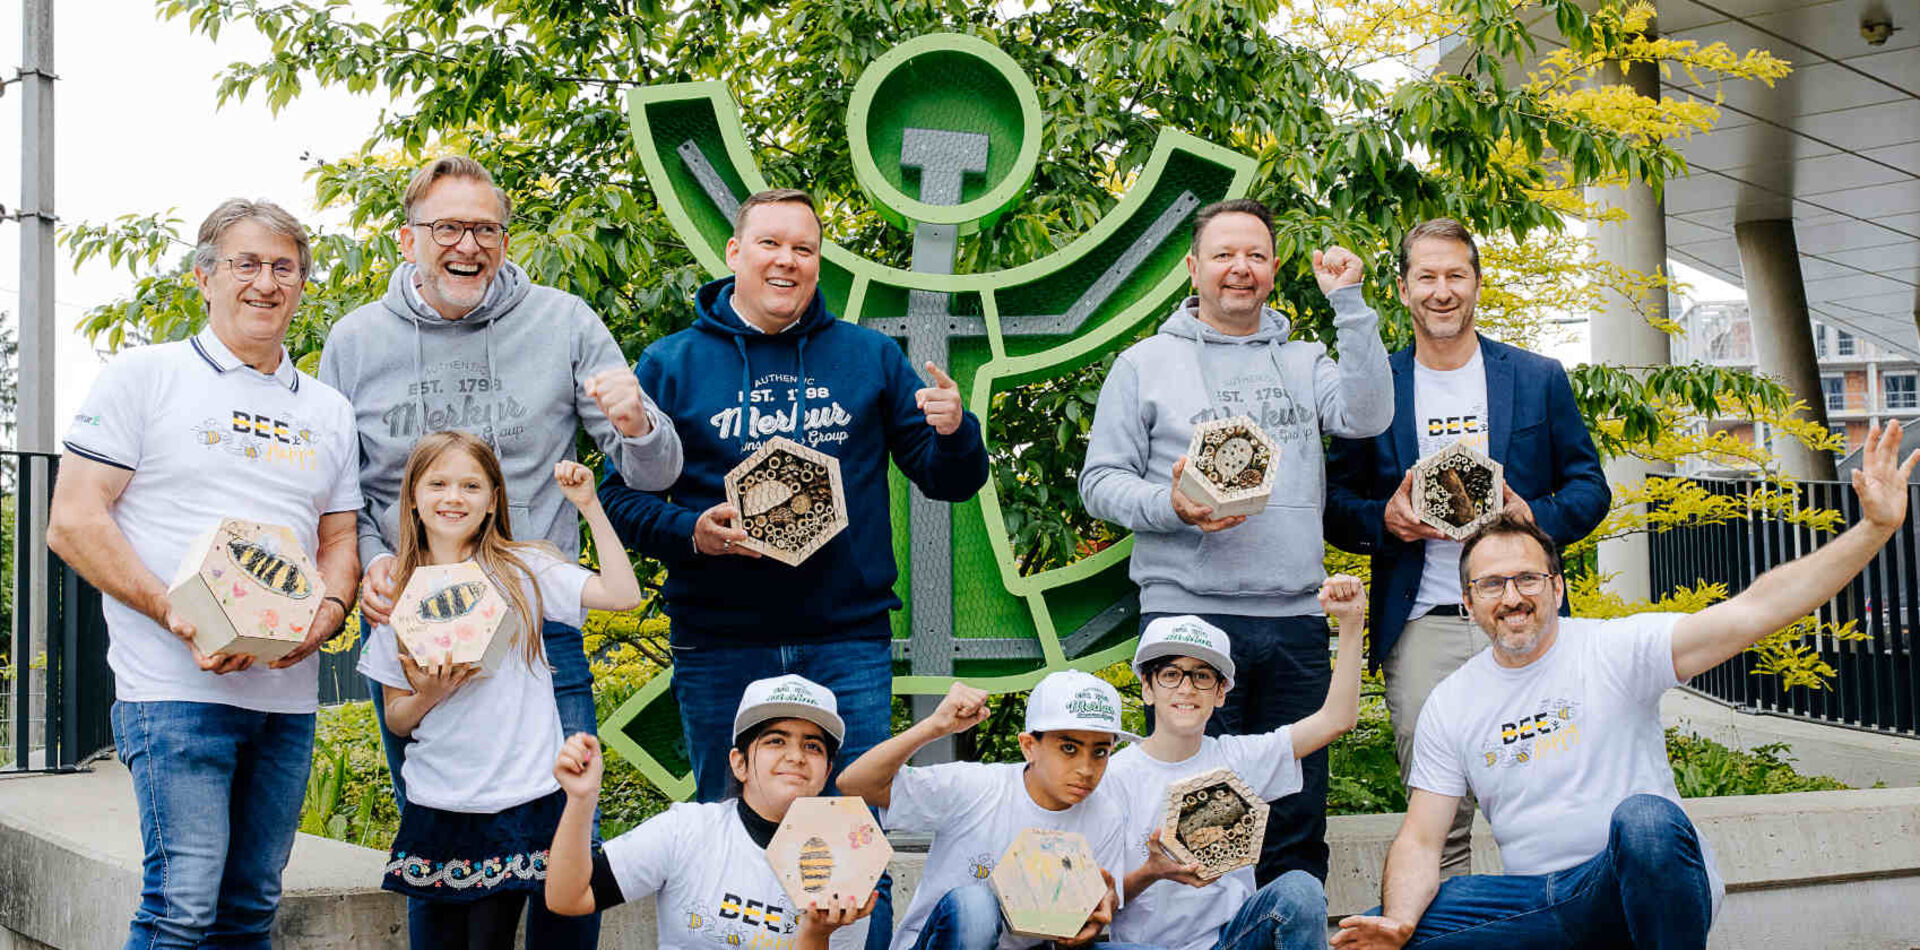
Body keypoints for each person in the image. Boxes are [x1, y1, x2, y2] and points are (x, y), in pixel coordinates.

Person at [1331, 421, 1919, 949]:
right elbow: (1421, 839)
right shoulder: (1452, 702)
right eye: (1492, 585)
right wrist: (1401, 922)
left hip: (1644, 883)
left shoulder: (1616, 648)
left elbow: (1756, 611)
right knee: (1383, 930)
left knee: (1645, 819)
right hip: (1546, 904)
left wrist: (1871, 529)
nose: (1512, 597)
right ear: (1468, 602)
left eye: (1527, 578)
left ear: (1558, 588)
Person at [597, 187, 991, 942]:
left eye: (804, 249)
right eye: (771, 244)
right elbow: (621, 498)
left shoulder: (868, 356)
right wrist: (692, 532)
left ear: (817, 262)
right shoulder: (673, 364)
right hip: (721, 641)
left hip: (845, 639)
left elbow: (949, 480)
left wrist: (955, 431)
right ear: (734, 254)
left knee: (852, 832)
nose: (788, 261)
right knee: (730, 829)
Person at [319, 155, 681, 944]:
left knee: (562, 849)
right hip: (418, 627)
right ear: (408, 237)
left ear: (506, 238)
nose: (467, 245)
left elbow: (653, 473)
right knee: (438, 838)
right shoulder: (354, 341)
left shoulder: (566, 322)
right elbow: (339, 491)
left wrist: (637, 426)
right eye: (447, 227)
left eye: (486, 229)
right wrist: (377, 562)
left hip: (539, 626)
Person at [47, 198, 362, 949]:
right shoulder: (144, 376)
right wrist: (174, 612)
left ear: (303, 284)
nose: (265, 282)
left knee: (251, 907)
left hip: (284, 699)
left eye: (283, 267)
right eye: (244, 264)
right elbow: (74, 520)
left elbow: (340, 537)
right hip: (173, 692)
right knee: (181, 908)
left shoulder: (327, 409)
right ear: (204, 277)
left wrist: (329, 613)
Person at [1080, 197, 1393, 887]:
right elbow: (1099, 483)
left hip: (1292, 621)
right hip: (1185, 619)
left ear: (1275, 270)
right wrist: (1172, 506)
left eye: (1254, 255)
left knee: (1296, 817)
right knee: (1193, 822)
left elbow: (1368, 415)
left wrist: (1350, 303)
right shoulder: (1143, 363)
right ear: (1193, 268)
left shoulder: (1306, 359)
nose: (1239, 269)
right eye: (1223, 255)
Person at [1324, 217, 1610, 876]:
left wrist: (1530, 516)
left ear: (1477, 284)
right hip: (1424, 626)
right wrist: (1386, 519)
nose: (1441, 290)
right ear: (1402, 288)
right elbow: (1334, 505)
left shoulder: (1537, 378)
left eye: (1455, 274)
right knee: (1439, 820)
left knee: (1553, 806)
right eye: (1426, 276)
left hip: (1525, 621)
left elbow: (1590, 488)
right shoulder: (1375, 387)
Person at [355, 430, 642, 948]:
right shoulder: (396, 591)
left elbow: (623, 593)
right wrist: (429, 695)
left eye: (471, 485)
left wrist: (590, 506)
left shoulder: (523, 570)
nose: (453, 497)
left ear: (492, 502)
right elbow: (396, 716)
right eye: (438, 483)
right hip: (439, 803)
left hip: (522, 799)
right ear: (414, 498)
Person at [1107, 577, 1368, 950]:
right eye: (1170, 674)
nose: (1185, 688)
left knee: (1301, 887)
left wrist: (1351, 623)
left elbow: (1336, 719)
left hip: (1231, 942)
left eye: (1201, 676)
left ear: (1221, 693)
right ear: (1147, 688)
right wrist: (1151, 872)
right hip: (1142, 947)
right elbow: (1090, 904)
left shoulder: (1239, 759)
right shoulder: (1112, 776)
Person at [545, 674, 877, 950]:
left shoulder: (842, 861)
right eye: (776, 740)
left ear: (826, 773)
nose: (796, 756)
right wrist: (580, 800)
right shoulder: (686, 831)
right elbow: (568, 898)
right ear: (740, 764)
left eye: (812, 746)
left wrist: (816, 935)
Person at [837, 670, 1138, 950]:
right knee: (975, 905)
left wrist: (1096, 913)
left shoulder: (1105, 815)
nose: (1086, 769)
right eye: (1069, 748)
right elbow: (855, 784)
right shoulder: (974, 786)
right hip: (944, 941)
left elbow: (1087, 923)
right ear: (1029, 746)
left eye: (1100, 752)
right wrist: (935, 726)